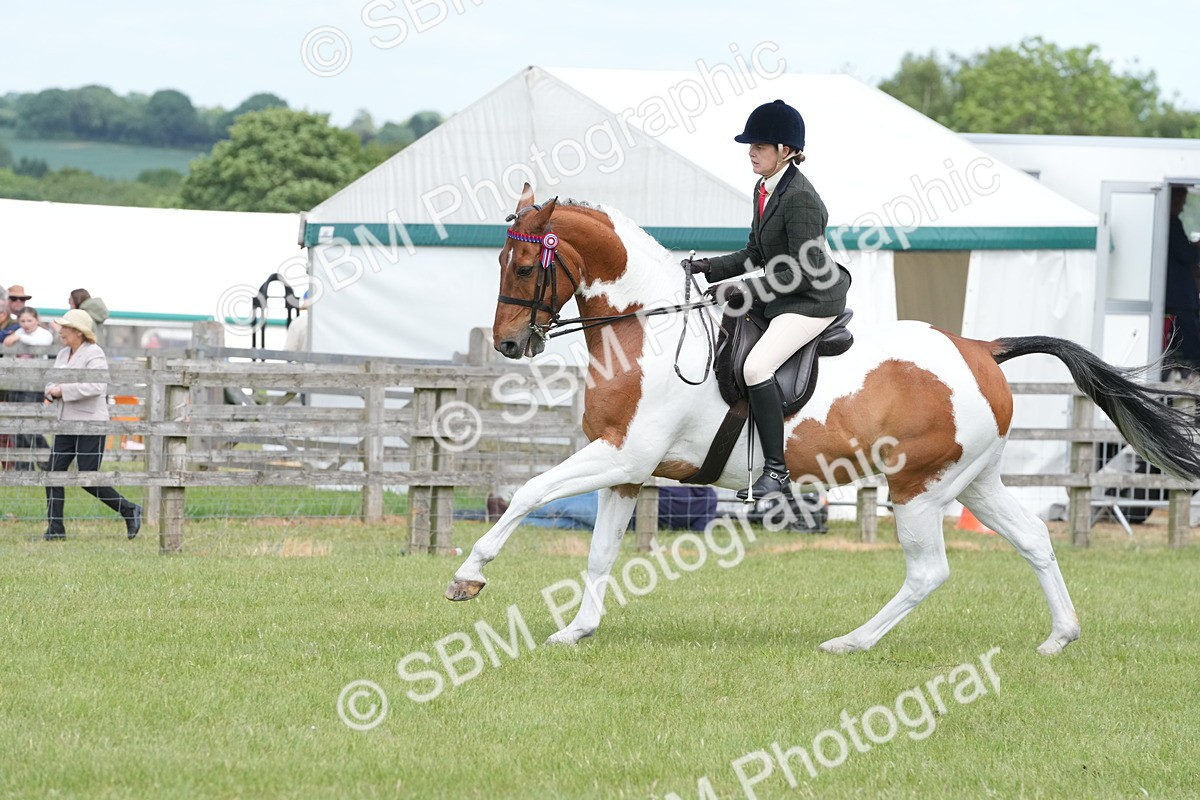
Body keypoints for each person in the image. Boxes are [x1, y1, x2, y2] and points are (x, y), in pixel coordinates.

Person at [683, 99, 851, 501]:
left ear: (787, 151)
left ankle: (776, 470)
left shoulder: (801, 199)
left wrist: (746, 290)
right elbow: (755, 254)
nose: (751, 151)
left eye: (760, 145)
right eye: (751, 145)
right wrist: (710, 267)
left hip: (813, 298)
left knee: (758, 366)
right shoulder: (765, 188)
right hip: (784, 293)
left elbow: (806, 269)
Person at [42, 308, 142, 540]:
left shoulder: (94, 354)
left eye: (65, 328)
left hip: (90, 423)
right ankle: (55, 530)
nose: (61, 332)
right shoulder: (62, 353)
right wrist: (51, 390)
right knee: (53, 474)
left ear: (78, 332)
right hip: (66, 422)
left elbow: (97, 386)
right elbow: (51, 381)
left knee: (87, 476)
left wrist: (61, 390)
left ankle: (129, 510)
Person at [4, 306, 53, 469]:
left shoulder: (42, 334)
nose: (26, 324)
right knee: (16, 425)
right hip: (15, 383)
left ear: (36, 320)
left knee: (29, 426)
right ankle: (24, 467)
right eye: (22, 321)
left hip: (34, 384)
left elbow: (42, 343)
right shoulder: (18, 333)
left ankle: (48, 460)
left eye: (29, 320)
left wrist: (18, 338)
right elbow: (6, 349)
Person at [1165, 186, 1200, 375]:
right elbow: (1186, 255)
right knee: (1191, 342)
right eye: (1179, 203)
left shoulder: (1170, 224)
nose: (1182, 208)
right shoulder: (1172, 224)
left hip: (1178, 295)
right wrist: (1195, 249)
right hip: (1181, 295)